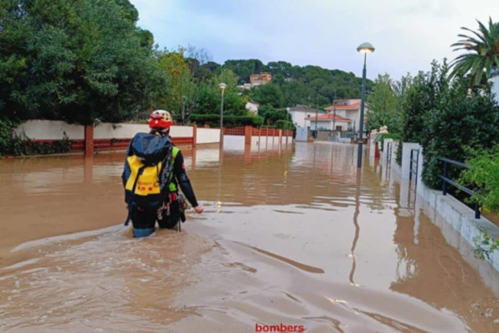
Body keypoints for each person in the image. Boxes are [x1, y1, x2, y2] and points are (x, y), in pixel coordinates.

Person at [122, 110, 203, 237]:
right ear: (168, 128)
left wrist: (131, 199)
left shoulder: (135, 149)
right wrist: (195, 204)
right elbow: (183, 179)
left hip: (140, 200)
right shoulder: (174, 151)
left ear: (150, 126)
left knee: (140, 242)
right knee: (169, 239)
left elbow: (126, 175)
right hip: (167, 202)